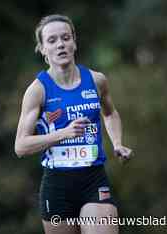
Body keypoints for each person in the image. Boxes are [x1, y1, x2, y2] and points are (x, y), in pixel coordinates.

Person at [14, 14, 133, 234]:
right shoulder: (37, 91)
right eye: (52, 41)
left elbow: (110, 114)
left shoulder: (97, 81)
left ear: (74, 43)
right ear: (42, 49)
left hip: (93, 179)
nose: (60, 44)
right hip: (57, 185)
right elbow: (21, 146)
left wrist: (117, 143)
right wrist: (63, 133)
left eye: (65, 38)